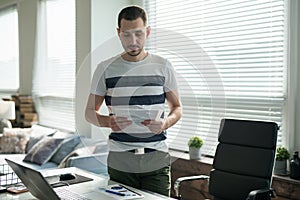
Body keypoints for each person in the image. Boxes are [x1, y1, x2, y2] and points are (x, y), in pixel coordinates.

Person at [85, 5, 182, 196]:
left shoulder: (163, 66)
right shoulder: (105, 69)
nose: (133, 41)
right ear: (119, 33)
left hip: (157, 157)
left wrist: (165, 123)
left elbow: (177, 107)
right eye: (127, 35)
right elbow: (89, 112)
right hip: (120, 159)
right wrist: (107, 121)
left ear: (147, 32)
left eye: (138, 34)